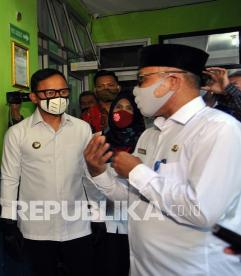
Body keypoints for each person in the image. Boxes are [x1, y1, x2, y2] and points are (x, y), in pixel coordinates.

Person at [84, 44, 241, 275]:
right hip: (144, 267)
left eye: (142, 80)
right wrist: (98, 171)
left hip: (193, 269)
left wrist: (137, 171)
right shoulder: (150, 135)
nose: (136, 90)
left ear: (172, 81)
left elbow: (204, 211)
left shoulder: (219, 129)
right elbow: (133, 199)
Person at [0, 68, 95, 276]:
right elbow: (9, 178)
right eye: (50, 93)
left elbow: (88, 175)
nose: (58, 97)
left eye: (63, 91)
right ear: (34, 97)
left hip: (77, 225)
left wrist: (97, 214)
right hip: (36, 228)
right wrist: (8, 221)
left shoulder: (82, 129)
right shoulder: (17, 133)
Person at [89, 91, 146, 276]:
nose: (123, 112)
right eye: (119, 108)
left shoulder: (146, 141)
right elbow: (89, 182)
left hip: (138, 225)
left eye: (129, 108)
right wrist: (96, 217)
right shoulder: (100, 140)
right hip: (107, 224)